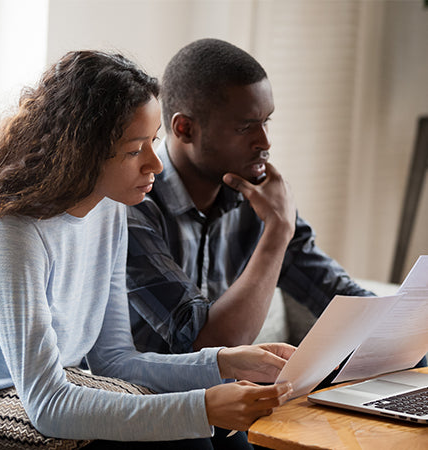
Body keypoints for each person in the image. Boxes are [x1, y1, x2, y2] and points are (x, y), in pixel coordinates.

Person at [0, 50, 295, 449]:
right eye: (134, 150)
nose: (155, 165)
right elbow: (46, 401)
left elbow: (114, 362)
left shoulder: (110, 212)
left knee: (230, 437)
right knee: (194, 435)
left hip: (63, 389)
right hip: (0, 403)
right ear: (82, 151)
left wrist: (227, 362)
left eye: (153, 142)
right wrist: (203, 407)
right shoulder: (13, 234)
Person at [126, 38, 376, 355]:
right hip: (144, 398)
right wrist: (278, 231)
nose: (265, 142)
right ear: (185, 129)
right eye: (246, 127)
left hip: (235, 398)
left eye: (266, 121)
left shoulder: (254, 198)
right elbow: (209, 347)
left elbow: (336, 294)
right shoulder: (134, 206)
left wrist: (407, 334)